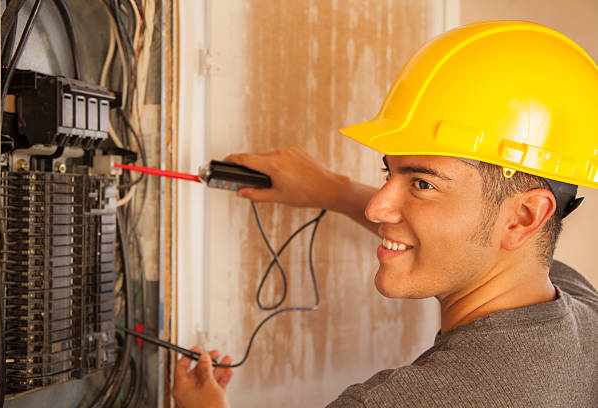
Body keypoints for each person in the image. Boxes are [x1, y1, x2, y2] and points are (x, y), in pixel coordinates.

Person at [172, 21, 598, 407]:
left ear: (524, 217)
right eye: (388, 172)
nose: (377, 207)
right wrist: (333, 190)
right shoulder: (579, 312)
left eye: (423, 184)